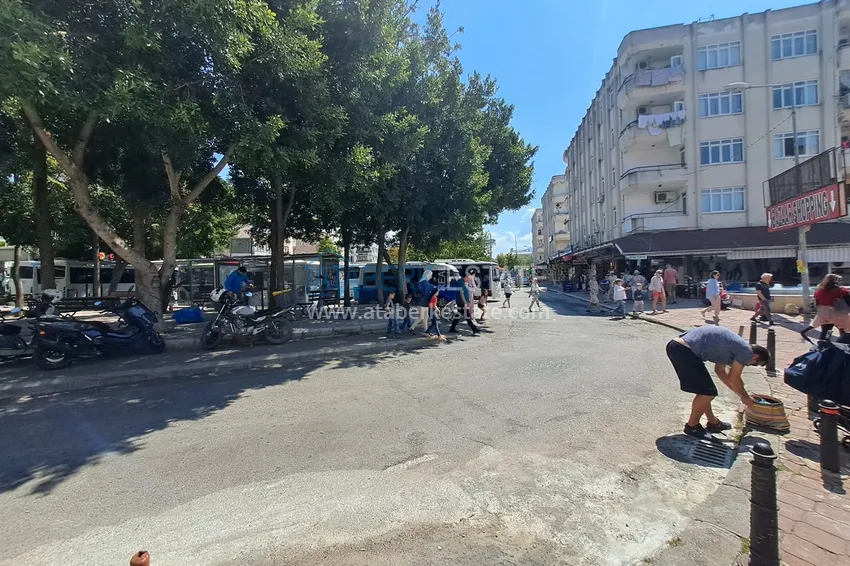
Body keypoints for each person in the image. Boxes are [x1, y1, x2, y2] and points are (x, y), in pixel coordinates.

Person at [666, 325, 770, 440]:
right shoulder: (747, 351)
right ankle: (692, 426)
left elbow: (720, 371)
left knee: (706, 391)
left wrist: (740, 393)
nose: (749, 365)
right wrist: (744, 396)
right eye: (754, 364)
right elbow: (734, 378)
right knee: (707, 393)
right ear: (755, 356)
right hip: (685, 350)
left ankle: (713, 422)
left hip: (677, 347)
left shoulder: (735, 348)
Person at [800, 273, 850, 342]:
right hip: (839, 314)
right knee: (844, 332)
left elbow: (815, 303)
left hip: (823, 314)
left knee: (825, 331)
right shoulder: (842, 290)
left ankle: (823, 344)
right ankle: (841, 344)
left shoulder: (819, 291)